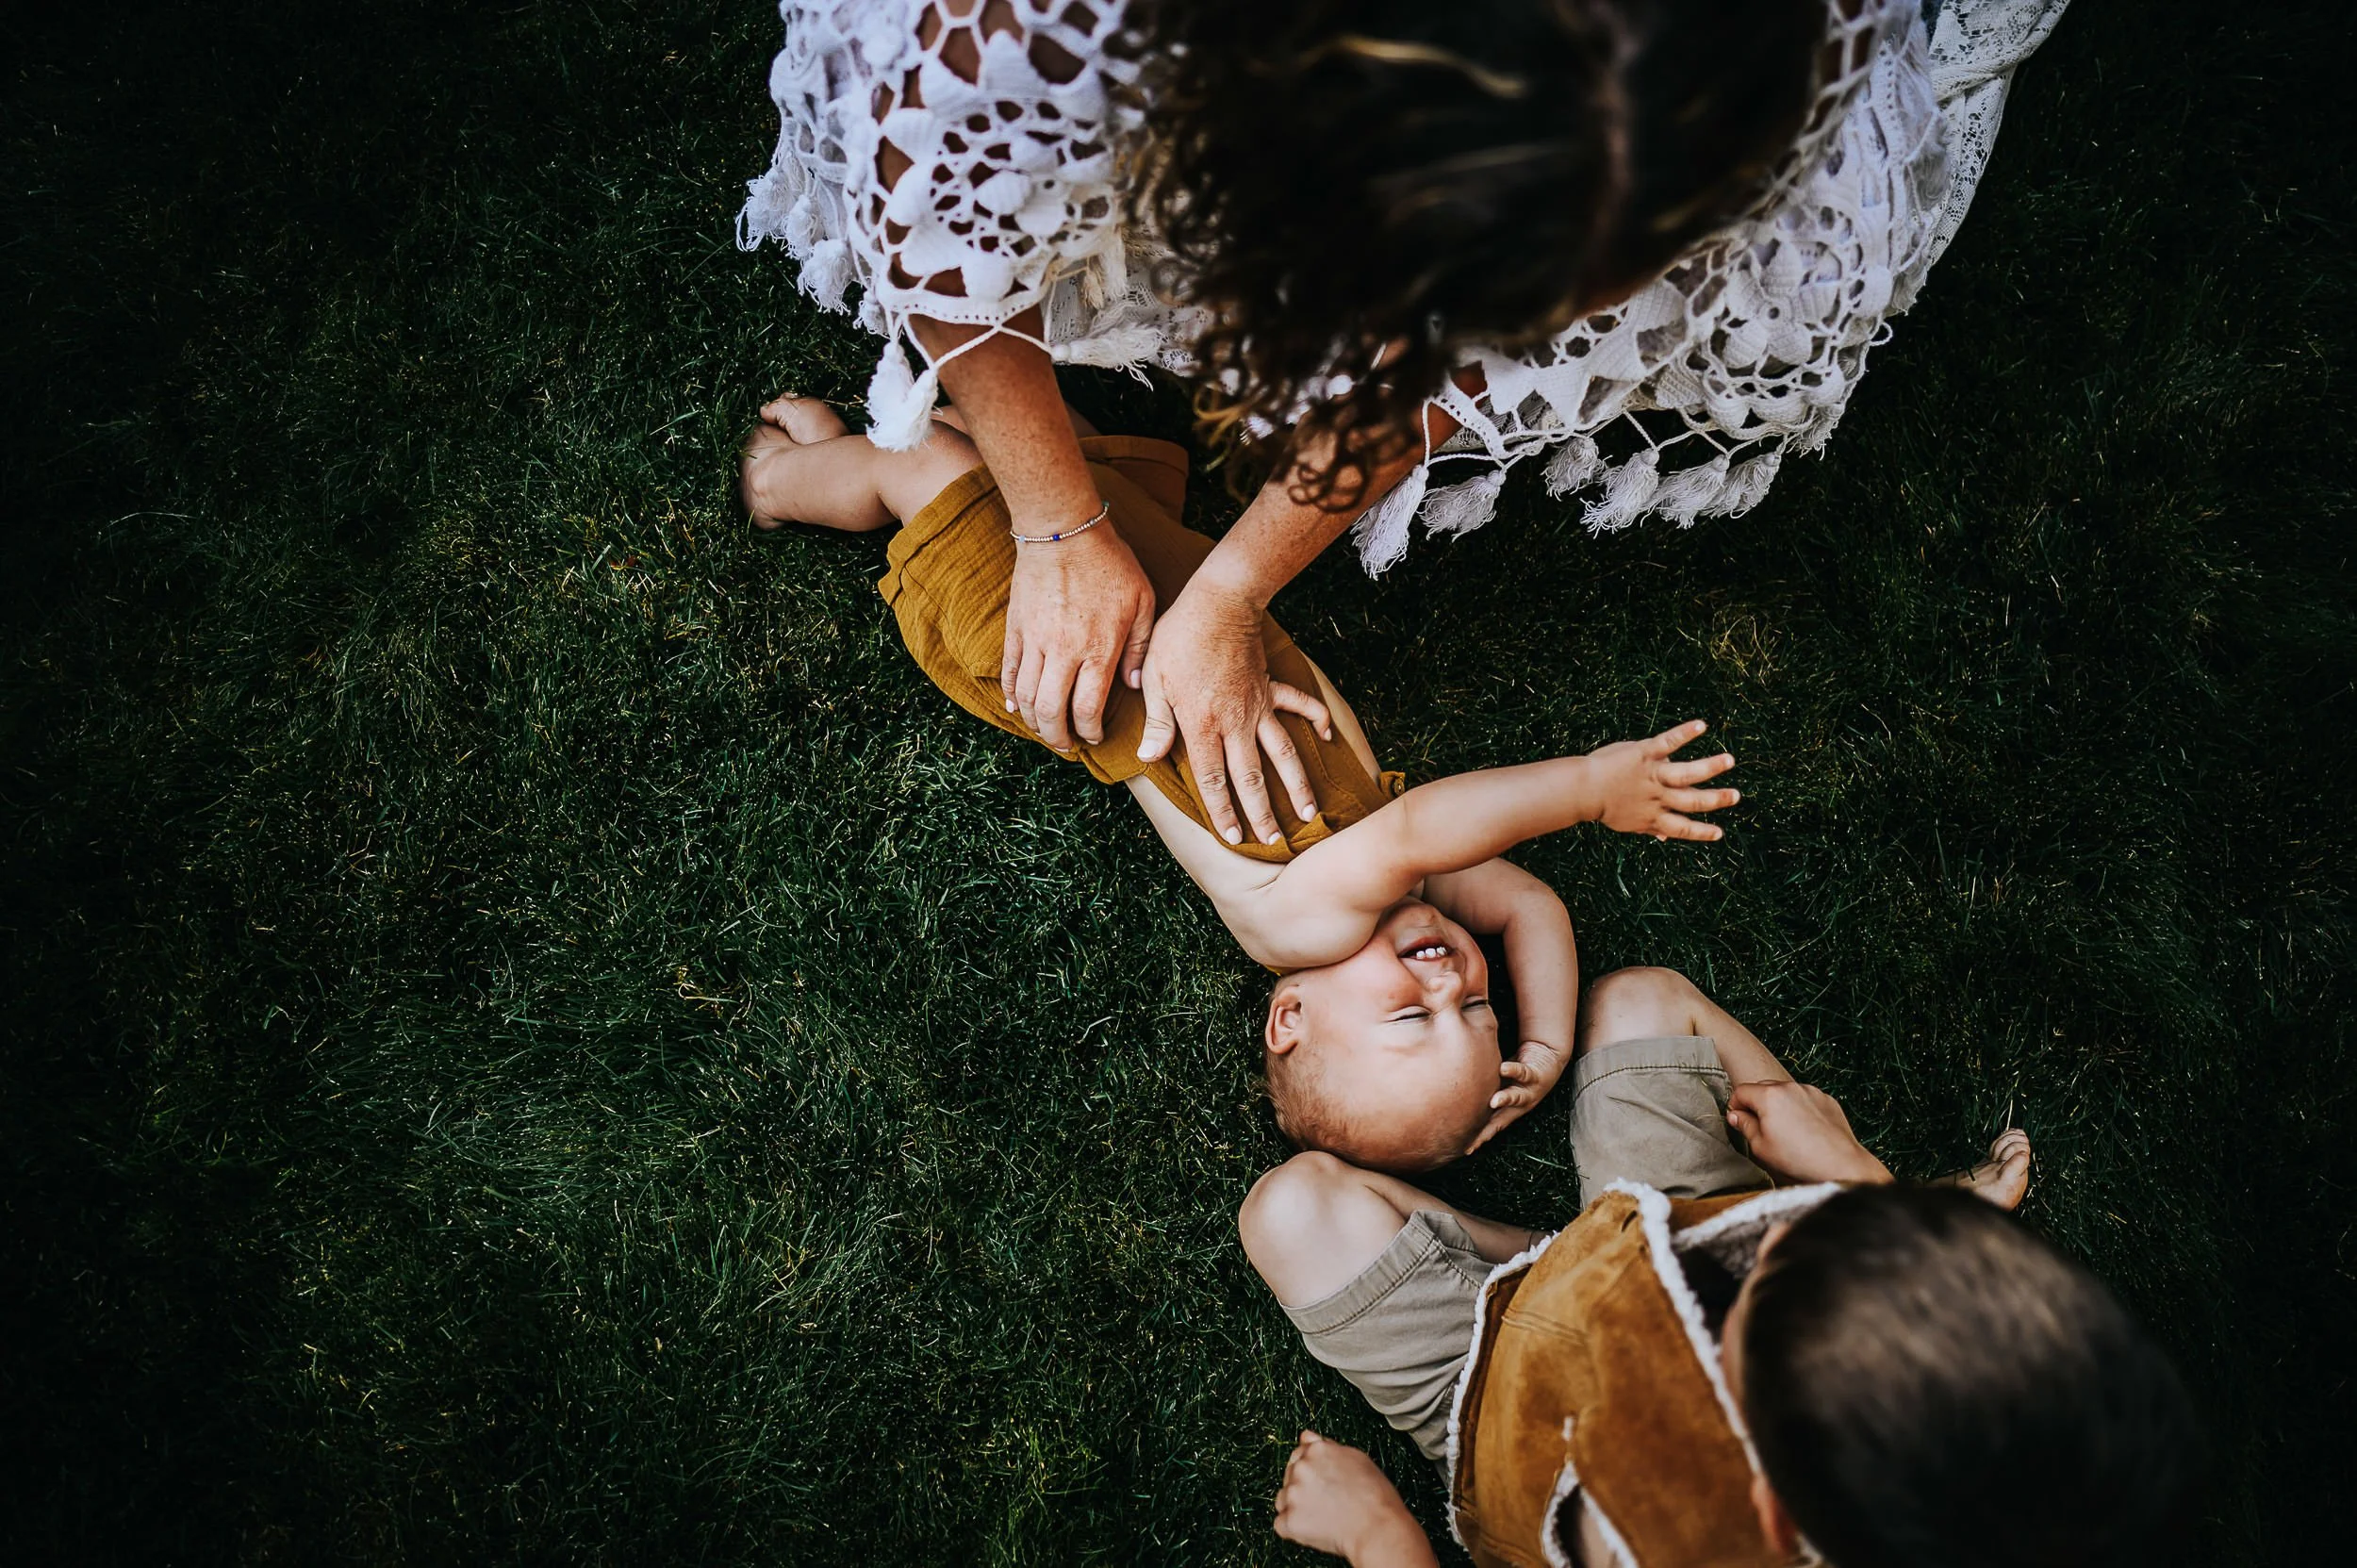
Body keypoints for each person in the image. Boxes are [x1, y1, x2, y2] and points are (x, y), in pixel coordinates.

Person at [737, 0, 2072, 848]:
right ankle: (823, 477)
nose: (1446, 992)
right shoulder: (1027, 44)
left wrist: (1209, 593)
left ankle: (839, 477)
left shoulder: (1308, 910)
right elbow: (942, 226)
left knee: (945, 488)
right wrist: (1063, 522)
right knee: (951, 446)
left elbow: (1427, 356)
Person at [747, 394, 1739, 1168]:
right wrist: (1550, 1043)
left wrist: (1589, 788)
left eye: (1409, 1014)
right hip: (1165, 599)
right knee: (1072, 462)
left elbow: (1419, 828)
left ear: (1292, 1017)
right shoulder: (1412, 907)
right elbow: (1529, 907)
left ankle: (791, 477)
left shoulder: (1307, 925)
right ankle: (945, 421)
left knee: (928, 470)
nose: (1451, 983)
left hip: (1052, 650)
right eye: (1479, 1012)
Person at [1235, 966, 2184, 1568]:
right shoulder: (1887, 1377)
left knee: (1290, 1212)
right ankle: (1930, 1210)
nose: (1780, 1239)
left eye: (1757, 1285)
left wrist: (1377, 1534)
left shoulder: (1662, 1542)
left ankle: (1537, 1259)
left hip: (1489, 1410)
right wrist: (1856, 1177)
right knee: (1641, 1002)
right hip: (1651, 1224)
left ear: (1773, 1510)